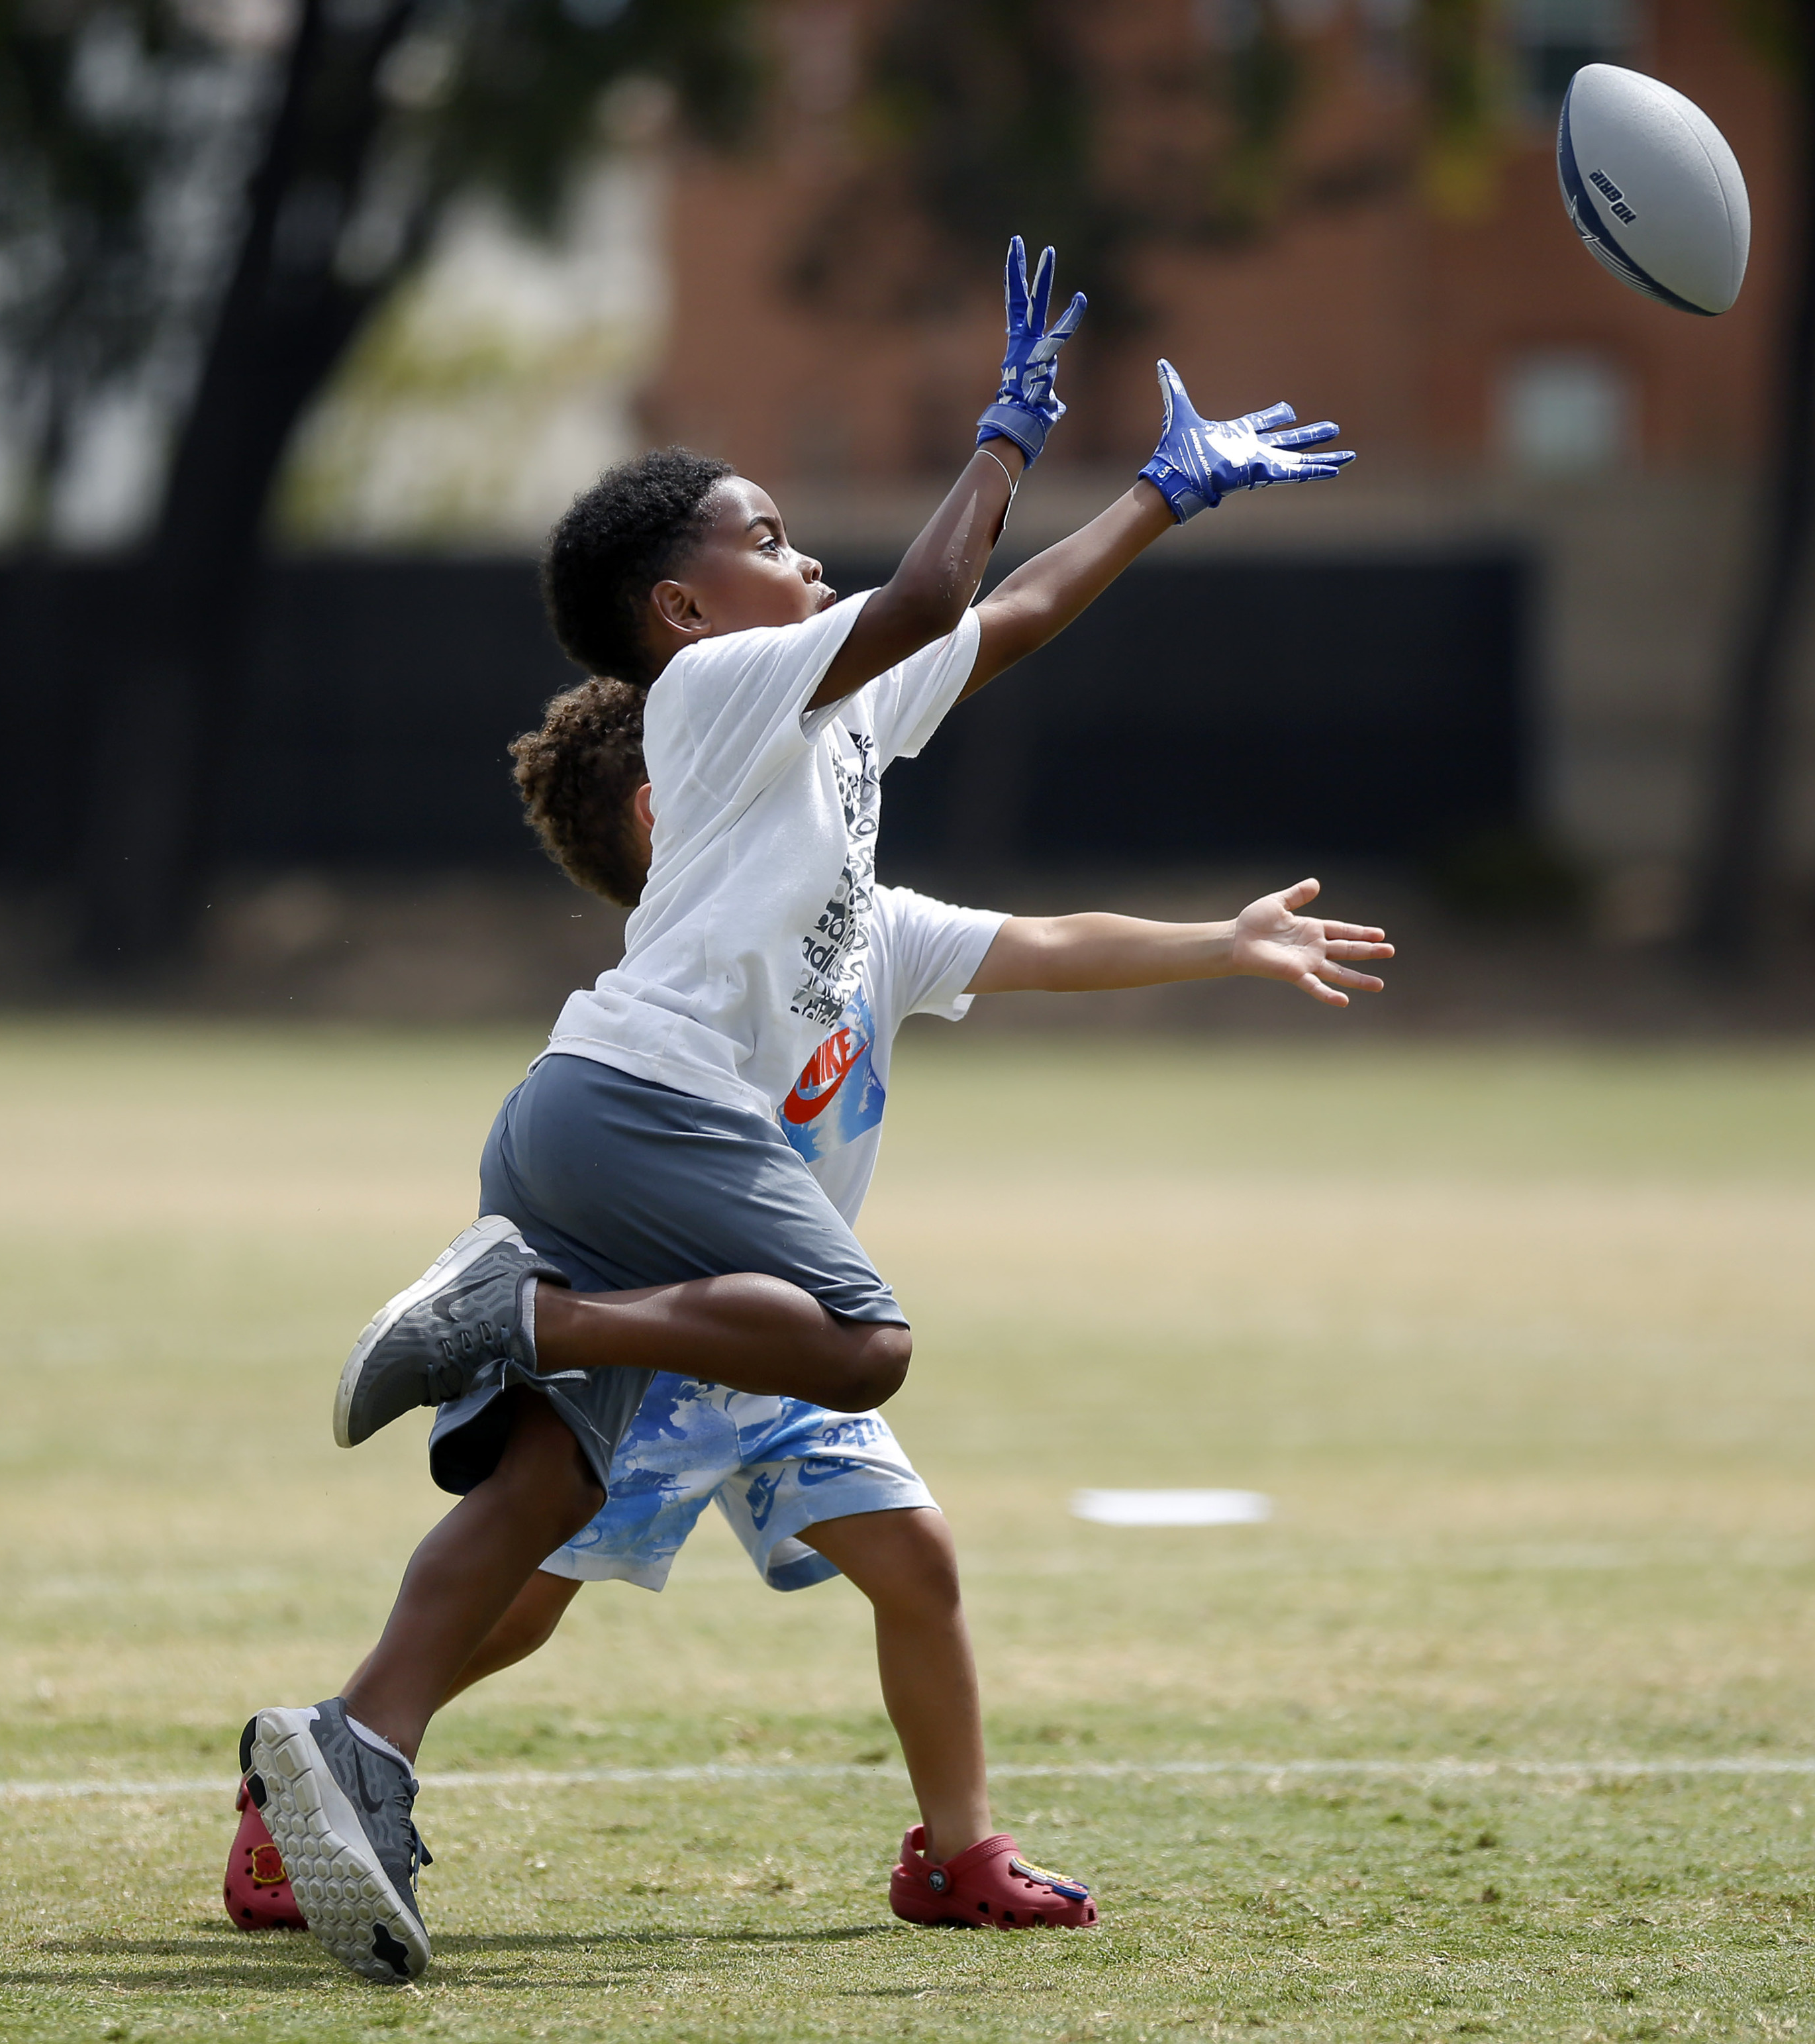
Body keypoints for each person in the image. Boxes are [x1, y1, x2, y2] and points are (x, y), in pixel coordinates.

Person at [239, 236, 1355, 1984]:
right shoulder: (717, 688)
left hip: (607, 1139)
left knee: (536, 1514)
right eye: (761, 535)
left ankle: (352, 1742)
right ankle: (514, 1311)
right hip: (636, 1117)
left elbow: (1008, 620)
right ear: (679, 609)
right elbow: (922, 598)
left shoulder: (828, 740)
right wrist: (997, 437)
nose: (799, 548)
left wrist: (1157, 492)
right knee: (866, 1333)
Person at [222, 678, 1391, 1939]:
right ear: (681, 815)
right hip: (665, 1338)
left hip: (789, 1352)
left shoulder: (867, 932)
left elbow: (1044, 943)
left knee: (916, 1563)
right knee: (518, 1612)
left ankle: (959, 1856)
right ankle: (316, 1773)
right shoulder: (693, 974)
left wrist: (1224, 938)